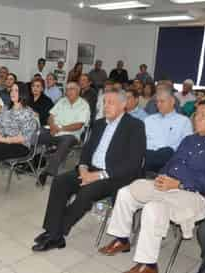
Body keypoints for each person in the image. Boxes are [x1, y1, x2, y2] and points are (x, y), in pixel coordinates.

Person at [99, 99, 205, 273]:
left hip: (193, 195)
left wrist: (179, 183)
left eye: (203, 115)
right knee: (126, 192)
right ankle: (122, 239)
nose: (197, 119)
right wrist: (161, 177)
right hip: (167, 187)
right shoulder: (188, 140)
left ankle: (148, 264)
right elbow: (171, 163)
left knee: (153, 207)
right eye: (197, 115)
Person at [32, 90, 146, 252]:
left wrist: (97, 176)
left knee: (86, 192)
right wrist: (84, 169)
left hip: (113, 175)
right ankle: (52, 230)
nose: (106, 106)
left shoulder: (135, 126)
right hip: (90, 169)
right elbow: (86, 151)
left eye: (111, 102)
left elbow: (133, 163)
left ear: (123, 105)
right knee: (60, 181)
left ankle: (57, 234)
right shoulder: (99, 124)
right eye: (104, 102)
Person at [38, 81, 90, 186]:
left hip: (70, 134)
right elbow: (50, 116)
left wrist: (60, 128)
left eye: (72, 89)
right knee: (37, 133)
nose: (68, 91)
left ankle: (47, 172)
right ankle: (30, 160)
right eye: (67, 89)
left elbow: (79, 125)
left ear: (78, 91)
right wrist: (52, 126)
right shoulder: (62, 101)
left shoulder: (84, 105)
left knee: (65, 142)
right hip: (53, 130)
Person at [144, 85, 192, 173]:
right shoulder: (148, 119)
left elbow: (186, 146)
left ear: (172, 101)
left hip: (169, 160)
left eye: (162, 101)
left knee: (167, 151)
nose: (158, 104)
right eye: (157, 102)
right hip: (147, 156)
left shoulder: (184, 121)